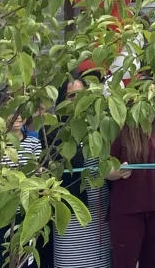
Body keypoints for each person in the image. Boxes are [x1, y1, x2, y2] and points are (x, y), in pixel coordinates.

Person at [107, 110, 155, 268]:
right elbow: (105, 170)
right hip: (127, 209)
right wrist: (117, 172)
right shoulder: (121, 128)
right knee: (124, 263)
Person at [55, 76, 112, 268]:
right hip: (70, 214)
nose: (77, 100)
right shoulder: (53, 132)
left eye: (82, 95)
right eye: (71, 96)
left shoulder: (100, 126)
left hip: (99, 213)